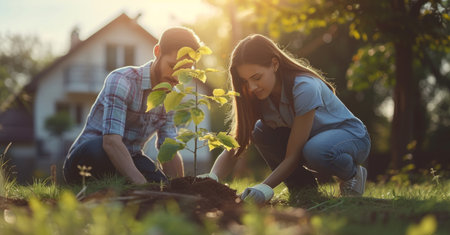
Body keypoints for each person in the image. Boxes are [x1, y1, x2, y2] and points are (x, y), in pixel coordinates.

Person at [201, 34, 371, 204]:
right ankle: (303, 189)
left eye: (257, 78)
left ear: (274, 64)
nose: (251, 87)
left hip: (350, 137)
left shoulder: (304, 87)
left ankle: (352, 175)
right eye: (245, 81)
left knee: (315, 150)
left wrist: (264, 188)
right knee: (259, 130)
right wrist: (211, 178)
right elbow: (238, 141)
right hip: (310, 142)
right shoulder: (259, 96)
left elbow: (293, 154)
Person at [63, 27, 202, 184]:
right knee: (100, 151)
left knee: (161, 183)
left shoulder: (170, 97)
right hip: (90, 155)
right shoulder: (122, 81)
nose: (177, 77)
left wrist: (180, 187)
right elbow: (111, 142)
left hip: (131, 156)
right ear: (157, 52)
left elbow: (168, 149)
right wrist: (143, 185)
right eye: (172, 66)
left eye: (184, 72)